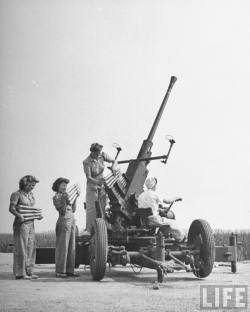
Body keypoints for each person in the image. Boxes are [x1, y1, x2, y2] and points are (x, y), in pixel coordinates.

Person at [9, 175, 41, 280]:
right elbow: (12, 208)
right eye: (31, 185)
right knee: (21, 248)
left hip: (31, 223)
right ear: (24, 184)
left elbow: (31, 209)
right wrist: (19, 215)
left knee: (31, 247)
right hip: (21, 223)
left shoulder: (31, 195)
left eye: (34, 185)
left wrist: (37, 216)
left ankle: (29, 271)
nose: (33, 187)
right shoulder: (16, 194)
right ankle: (20, 273)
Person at [83, 142, 118, 235]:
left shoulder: (102, 155)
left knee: (102, 207)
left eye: (100, 152)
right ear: (93, 152)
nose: (99, 154)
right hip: (92, 186)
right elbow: (89, 177)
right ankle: (89, 230)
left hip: (102, 185)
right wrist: (97, 182)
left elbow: (114, 160)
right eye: (97, 153)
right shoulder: (86, 162)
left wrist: (114, 167)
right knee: (92, 209)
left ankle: (102, 229)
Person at [138, 177, 184, 241]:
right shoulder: (154, 194)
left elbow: (149, 208)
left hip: (144, 221)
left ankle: (160, 236)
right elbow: (168, 201)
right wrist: (176, 198)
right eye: (155, 185)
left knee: (164, 222)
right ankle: (180, 239)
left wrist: (160, 210)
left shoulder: (140, 196)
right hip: (155, 220)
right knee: (172, 223)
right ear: (154, 185)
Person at [52, 177, 79, 278]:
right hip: (63, 221)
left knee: (72, 247)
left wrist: (75, 197)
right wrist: (64, 200)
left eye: (66, 185)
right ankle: (60, 271)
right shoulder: (57, 197)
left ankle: (70, 271)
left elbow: (74, 210)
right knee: (63, 247)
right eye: (63, 185)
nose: (65, 187)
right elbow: (62, 211)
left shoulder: (67, 196)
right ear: (57, 186)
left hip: (72, 221)